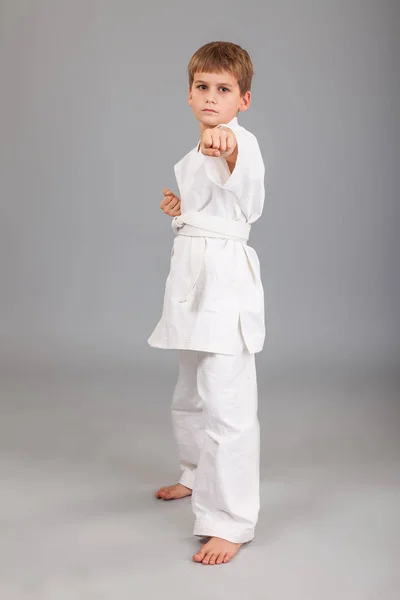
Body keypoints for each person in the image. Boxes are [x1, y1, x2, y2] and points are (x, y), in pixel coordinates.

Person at [148, 41, 265, 565]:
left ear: (243, 99)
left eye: (223, 90)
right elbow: (213, 204)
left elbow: (248, 193)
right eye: (202, 87)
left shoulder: (239, 142)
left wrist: (230, 147)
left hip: (224, 287)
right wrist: (181, 210)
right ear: (188, 93)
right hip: (192, 284)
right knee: (190, 391)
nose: (211, 98)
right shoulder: (192, 153)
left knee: (228, 403)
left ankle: (232, 521)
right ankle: (194, 473)